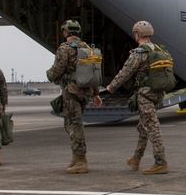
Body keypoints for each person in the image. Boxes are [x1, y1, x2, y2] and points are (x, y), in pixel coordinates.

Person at [100, 20, 169, 175]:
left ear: (138, 34)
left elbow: (126, 72)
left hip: (144, 94)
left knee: (152, 127)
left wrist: (111, 87)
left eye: (135, 33)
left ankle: (161, 162)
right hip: (158, 93)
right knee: (143, 126)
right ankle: (136, 158)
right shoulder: (159, 50)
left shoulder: (139, 53)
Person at [46, 19, 102, 174]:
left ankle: (81, 160)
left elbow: (57, 70)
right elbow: (93, 72)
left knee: (75, 125)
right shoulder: (87, 48)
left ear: (65, 32)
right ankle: (76, 158)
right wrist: (96, 93)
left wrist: (49, 75)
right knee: (71, 123)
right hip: (86, 91)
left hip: (72, 91)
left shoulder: (64, 48)